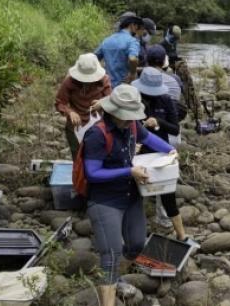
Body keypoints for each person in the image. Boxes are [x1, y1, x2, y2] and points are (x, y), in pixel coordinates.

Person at [83, 84, 175, 306]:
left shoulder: (133, 125)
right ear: (112, 111)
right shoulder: (97, 134)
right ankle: (109, 292)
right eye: (124, 117)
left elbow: (150, 139)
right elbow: (92, 173)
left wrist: (169, 150)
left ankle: (116, 276)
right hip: (105, 200)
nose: (128, 120)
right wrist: (129, 171)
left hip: (131, 195)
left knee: (135, 246)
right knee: (111, 255)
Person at [132, 67, 193, 243]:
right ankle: (136, 232)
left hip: (161, 150)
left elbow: (175, 128)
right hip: (139, 150)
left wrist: (158, 121)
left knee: (167, 195)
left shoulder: (165, 100)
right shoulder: (134, 100)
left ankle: (181, 235)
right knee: (136, 193)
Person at [55, 53, 112, 159]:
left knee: (97, 157)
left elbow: (112, 100)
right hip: (75, 126)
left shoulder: (104, 80)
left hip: (97, 126)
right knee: (78, 159)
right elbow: (60, 102)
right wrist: (70, 112)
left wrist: (103, 102)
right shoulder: (69, 81)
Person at [95, 15, 145, 87]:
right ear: (133, 25)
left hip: (107, 85)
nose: (141, 33)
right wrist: (132, 73)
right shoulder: (132, 41)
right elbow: (133, 59)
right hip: (124, 85)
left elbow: (94, 57)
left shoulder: (107, 40)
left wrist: (102, 72)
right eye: (141, 30)